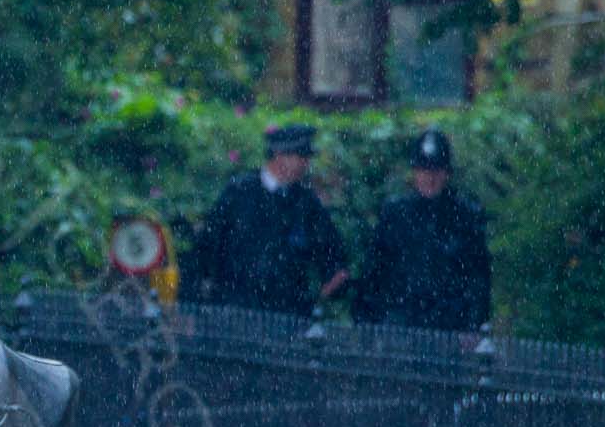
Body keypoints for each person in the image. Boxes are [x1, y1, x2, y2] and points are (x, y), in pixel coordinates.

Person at [189, 124, 349, 317]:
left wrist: (319, 296)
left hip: (286, 313)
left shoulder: (307, 203)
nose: (305, 164)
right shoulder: (239, 192)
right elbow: (208, 245)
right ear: (279, 155)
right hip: (234, 307)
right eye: (300, 156)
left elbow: (331, 255)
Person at [354, 129, 492, 331]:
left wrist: (475, 323)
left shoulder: (465, 215)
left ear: (447, 173)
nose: (430, 178)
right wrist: (367, 321)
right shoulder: (395, 213)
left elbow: (479, 275)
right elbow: (375, 270)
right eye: (424, 170)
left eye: (436, 170)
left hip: (450, 324)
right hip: (401, 321)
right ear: (415, 172)